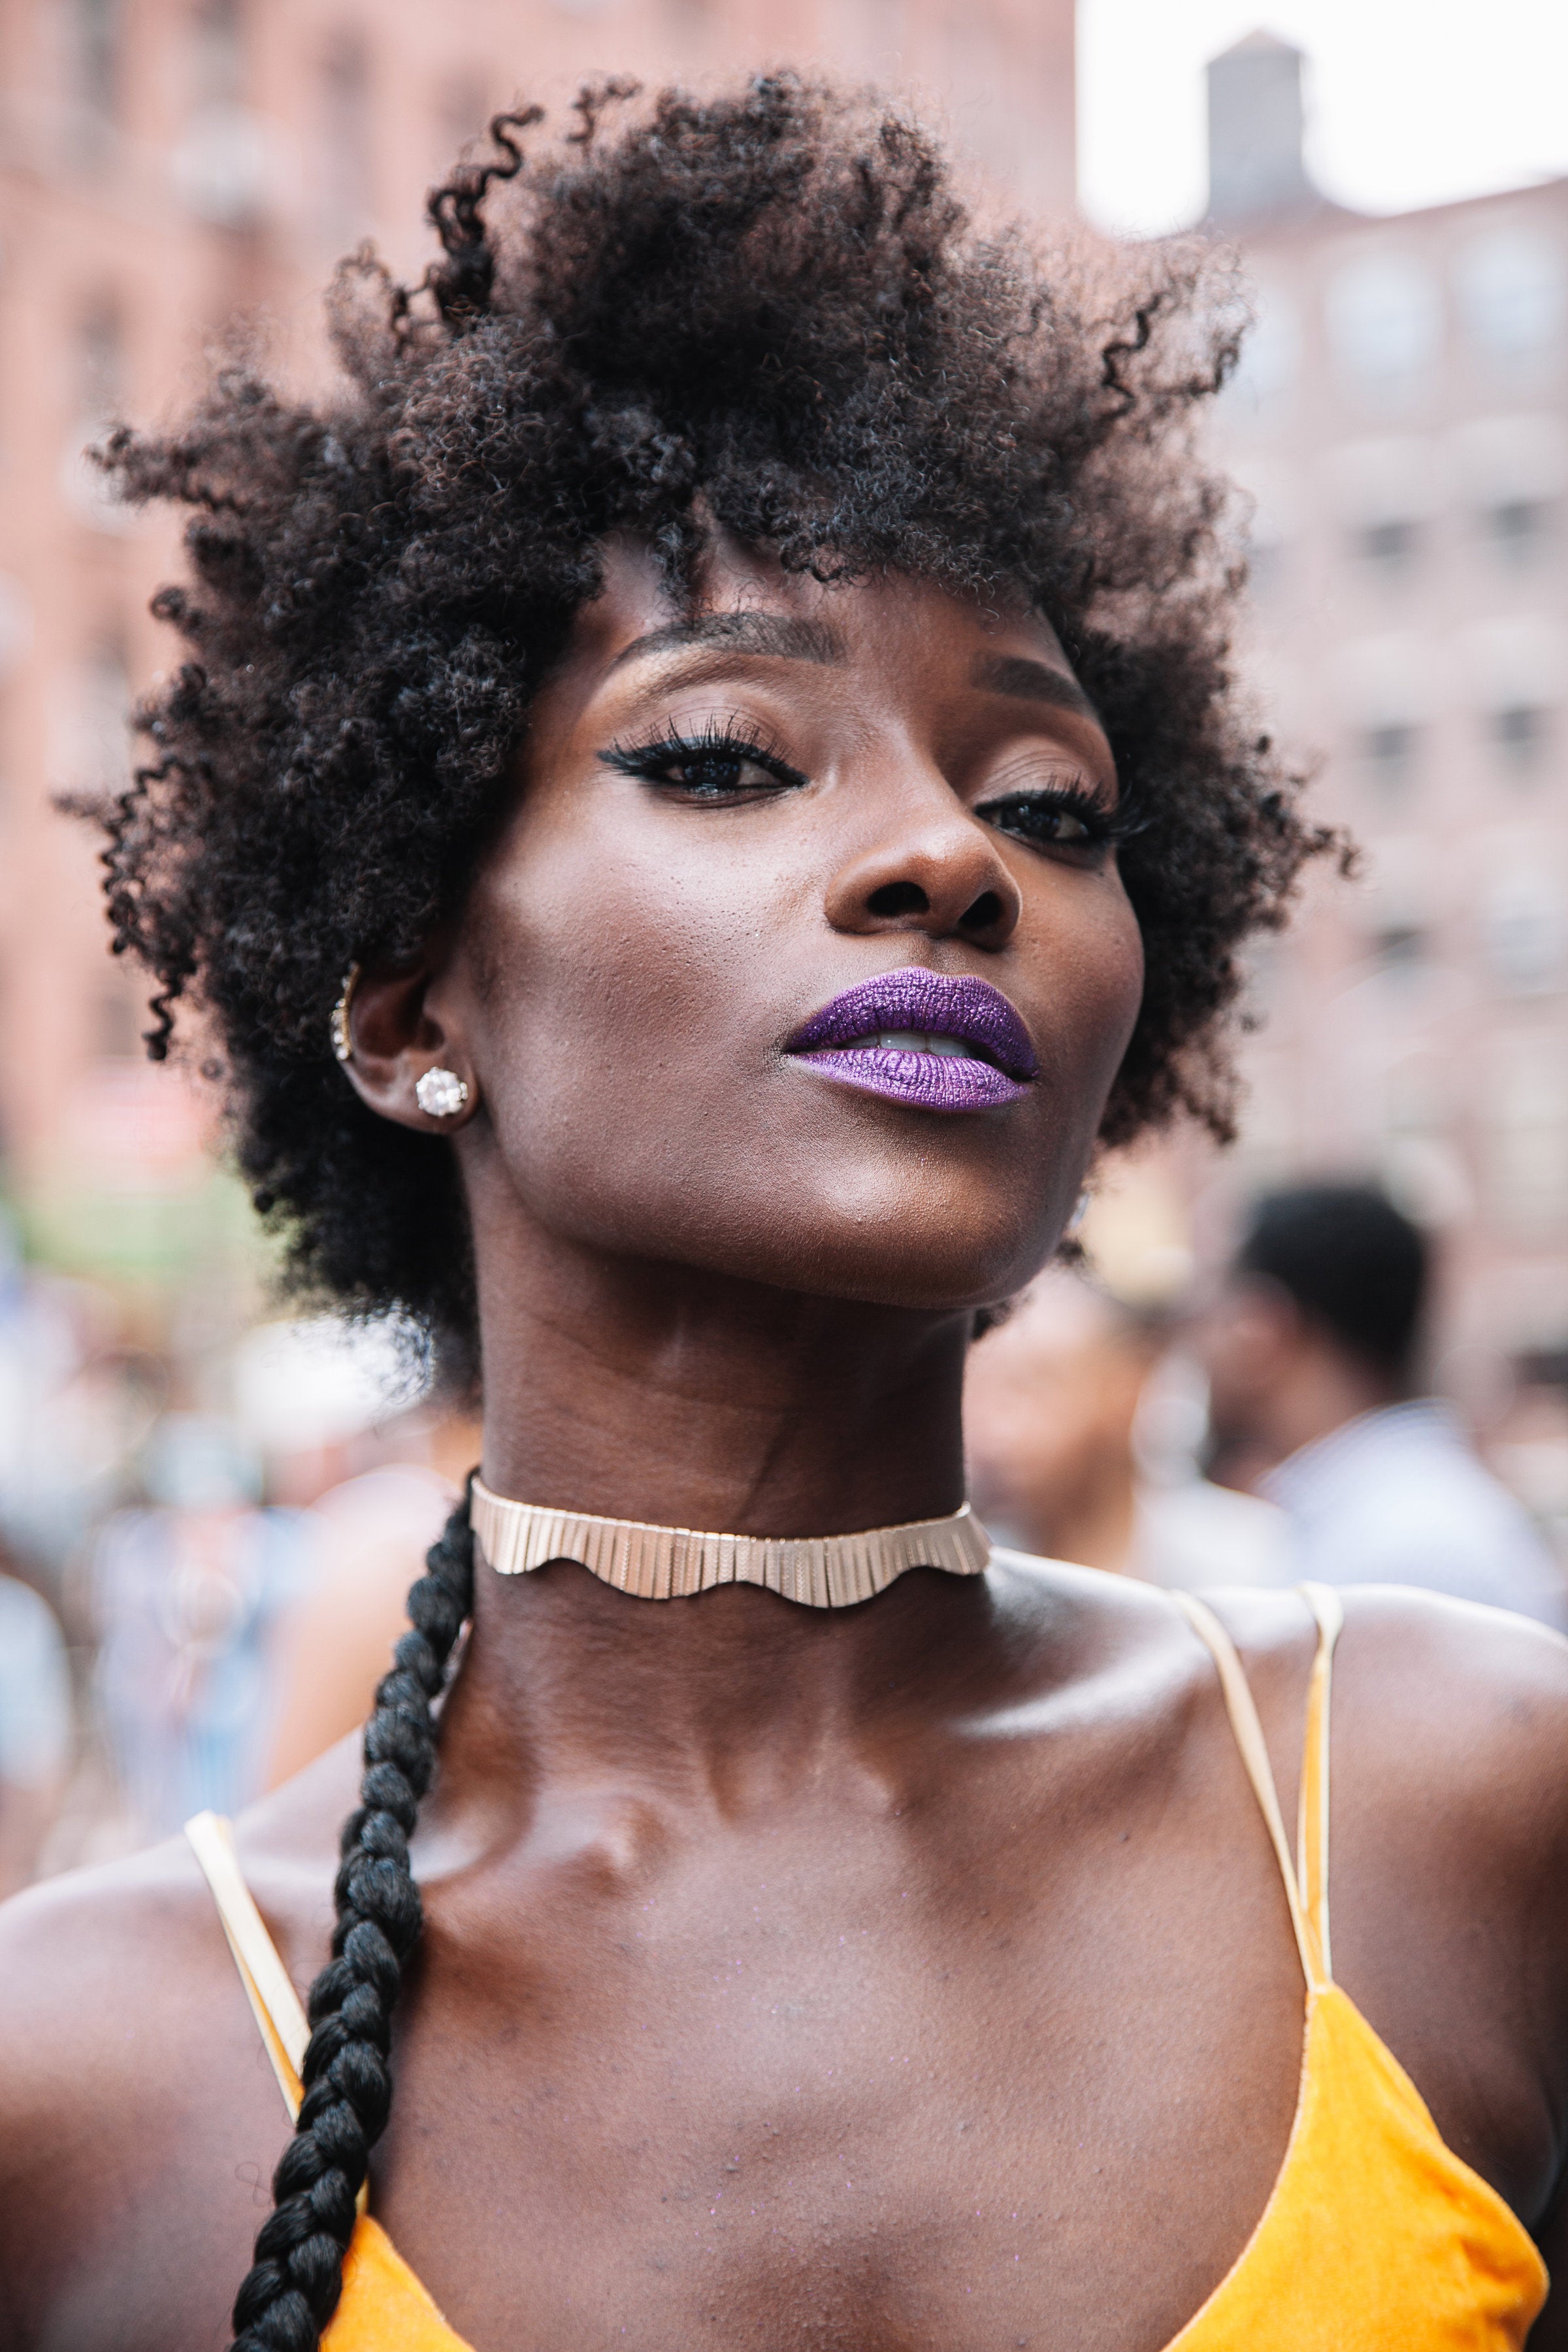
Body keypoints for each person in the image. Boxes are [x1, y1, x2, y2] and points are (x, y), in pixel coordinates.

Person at [2, 78, 1566, 2352]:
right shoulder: (84, 2086)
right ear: (412, 991)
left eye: (1051, 799)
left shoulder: (1461, 1817)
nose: (952, 857)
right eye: (724, 755)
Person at [1201, 1183, 1568, 1628]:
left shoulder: (1398, 1549)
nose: (1200, 1346)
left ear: (1260, 1327)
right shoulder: (1392, 1516)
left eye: (1209, 1312)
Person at [965, 1269, 1289, 1587]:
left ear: (1126, 1390)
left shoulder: (1244, 1563)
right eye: (978, 1390)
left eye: (1030, 1387)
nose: (992, 1432)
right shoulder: (977, 1576)